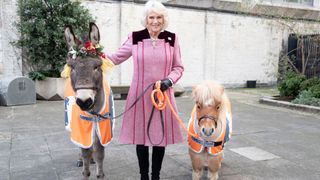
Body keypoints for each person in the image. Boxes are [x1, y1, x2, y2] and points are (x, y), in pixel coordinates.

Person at [107, 0, 184, 179]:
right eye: (152, 17)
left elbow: (178, 67)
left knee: (160, 138)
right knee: (141, 138)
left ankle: (155, 176)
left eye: (159, 17)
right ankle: (144, 176)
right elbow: (116, 57)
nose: (155, 21)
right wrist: (94, 53)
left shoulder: (172, 39)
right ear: (146, 19)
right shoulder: (136, 37)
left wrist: (169, 81)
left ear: (164, 19)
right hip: (140, 96)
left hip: (162, 95)